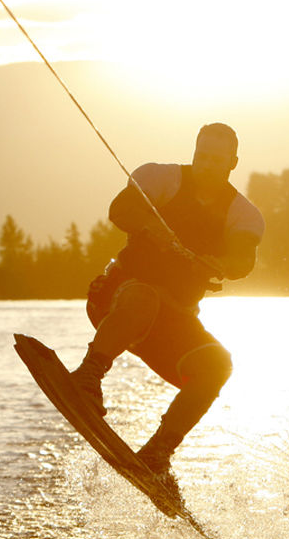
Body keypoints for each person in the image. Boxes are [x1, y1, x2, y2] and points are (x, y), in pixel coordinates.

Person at [69, 123, 264, 494]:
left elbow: (243, 259)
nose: (207, 164)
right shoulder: (160, 179)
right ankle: (88, 376)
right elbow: (120, 210)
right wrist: (148, 225)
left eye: (217, 159)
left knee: (217, 365)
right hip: (116, 299)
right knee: (144, 295)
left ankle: (158, 454)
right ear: (194, 152)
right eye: (202, 154)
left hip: (170, 321)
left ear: (232, 163)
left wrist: (220, 263)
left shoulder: (242, 213)